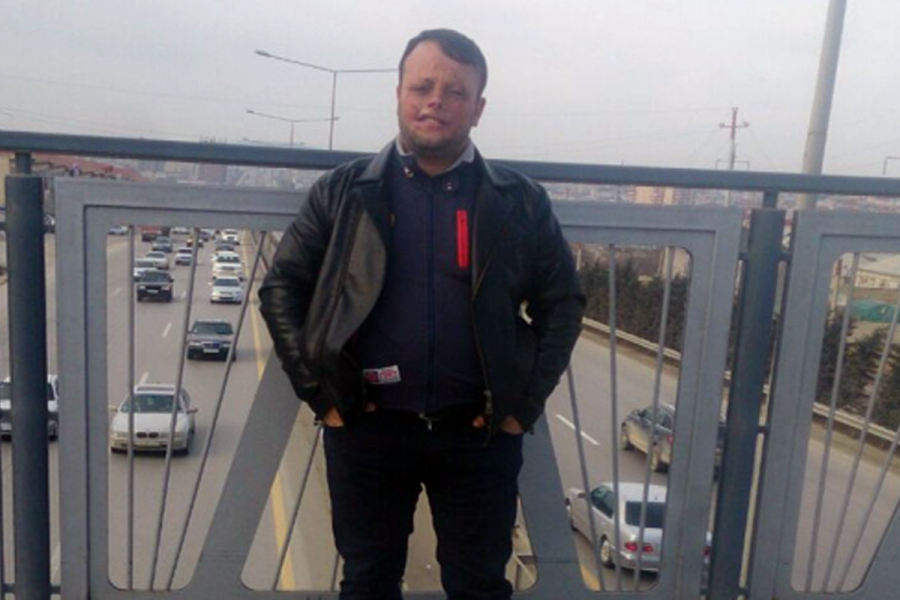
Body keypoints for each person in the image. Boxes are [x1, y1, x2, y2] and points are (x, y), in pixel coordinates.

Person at [259, 28, 584, 600]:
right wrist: (322, 396)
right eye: (423, 86)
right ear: (399, 95)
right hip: (366, 431)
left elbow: (562, 303)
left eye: (455, 91)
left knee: (479, 586)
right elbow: (282, 288)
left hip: (479, 435)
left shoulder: (519, 200)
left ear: (477, 109)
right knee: (367, 582)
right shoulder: (344, 192)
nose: (436, 100)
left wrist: (520, 408)